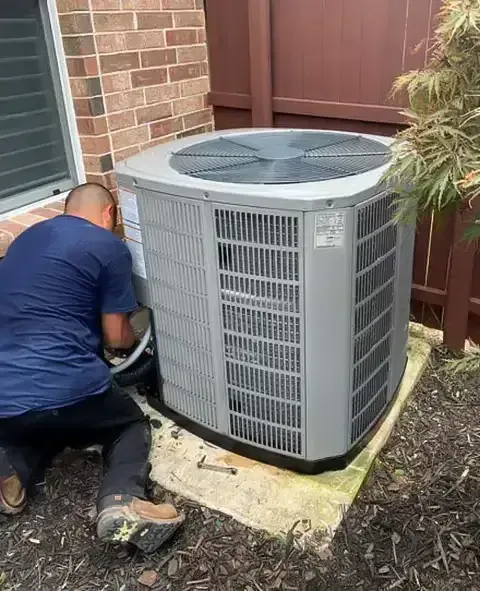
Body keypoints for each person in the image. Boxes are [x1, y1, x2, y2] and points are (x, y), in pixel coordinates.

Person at [0, 183, 184, 553]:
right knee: (128, 424)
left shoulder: (24, 239)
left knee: (32, 428)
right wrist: (139, 346)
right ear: (109, 214)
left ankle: (9, 476)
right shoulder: (108, 247)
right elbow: (116, 338)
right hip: (67, 384)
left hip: (6, 393)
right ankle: (121, 500)